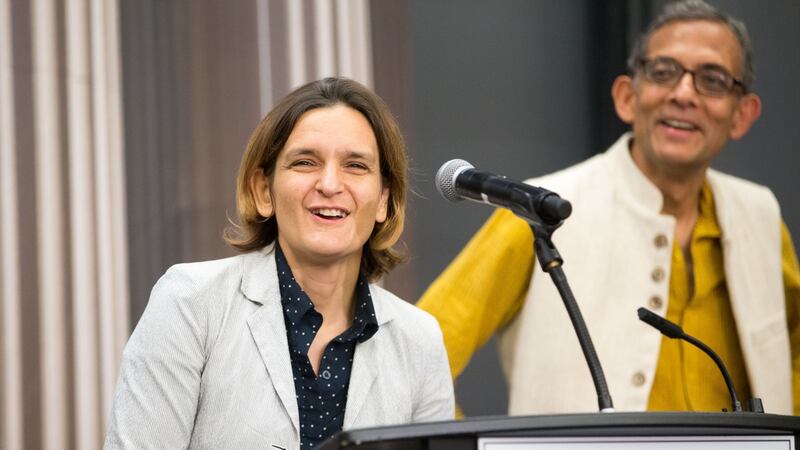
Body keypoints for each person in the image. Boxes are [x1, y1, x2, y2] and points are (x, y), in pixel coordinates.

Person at [419, 0, 799, 416]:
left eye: (712, 79)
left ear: (742, 114)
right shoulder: (539, 209)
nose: (683, 94)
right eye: (663, 72)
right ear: (626, 97)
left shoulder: (759, 215)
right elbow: (415, 355)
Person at [105, 77, 454, 449]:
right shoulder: (191, 303)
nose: (330, 184)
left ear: (383, 199)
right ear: (263, 191)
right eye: (305, 162)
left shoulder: (420, 340)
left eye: (355, 165)